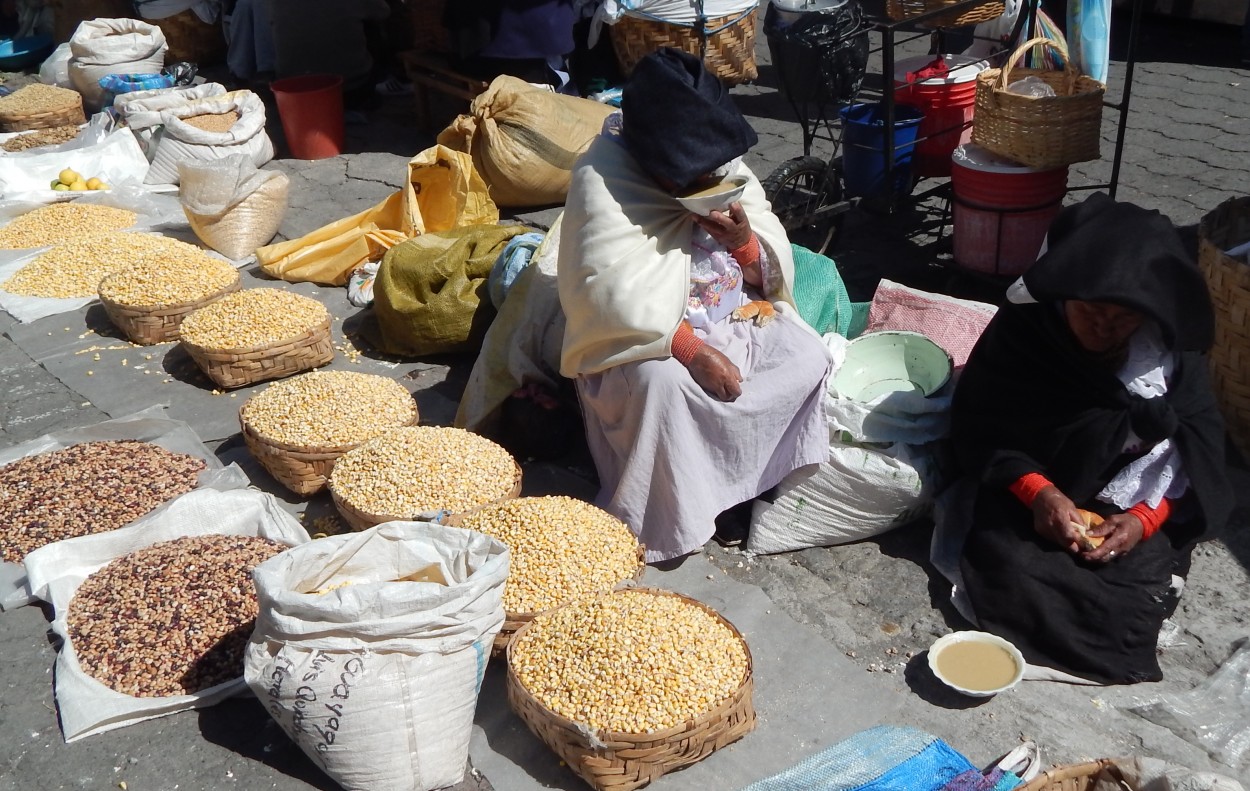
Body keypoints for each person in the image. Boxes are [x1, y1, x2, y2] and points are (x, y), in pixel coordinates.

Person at [557, 48, 832, 563]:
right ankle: (678, 511)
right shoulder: (602, 176)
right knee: (663, 389)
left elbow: (762, 276)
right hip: (646, 348)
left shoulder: (720, 158)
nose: (705, 183)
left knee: (808, 356)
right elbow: (602, 297)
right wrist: (689, 350)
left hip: (730, 317)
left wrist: (744, 241)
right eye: (686, 179)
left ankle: (749, 482)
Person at [947, 193, 1233, 684]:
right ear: (1063, 296)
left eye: (1123, 318)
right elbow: (983, 426)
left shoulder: (1170, 356)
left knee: (1130, 590)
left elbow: (1196, 448)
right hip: (1036, 483)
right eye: (1090, 310)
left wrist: (1144, 519)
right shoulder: (1025, 334)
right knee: (1009, 568)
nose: (1103, 326)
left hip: (1128, 491)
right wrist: (1039, 493)